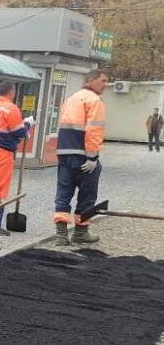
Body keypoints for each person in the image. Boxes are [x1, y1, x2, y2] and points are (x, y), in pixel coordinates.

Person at [54, 70, 110, 245]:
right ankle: (80, 232)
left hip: (64, 153)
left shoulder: (71, 99)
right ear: (91, 80)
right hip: (83, 155)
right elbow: (94, 131)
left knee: (63, 193)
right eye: (103, 81)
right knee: (87, 195)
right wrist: (92, 158)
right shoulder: (94, 101)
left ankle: (61, 235)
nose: (105, 85)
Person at [0, 81, 34, 236]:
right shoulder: (11, 108)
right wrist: (27, 124)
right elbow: (19, 133)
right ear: (11, 92)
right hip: (1, 151)